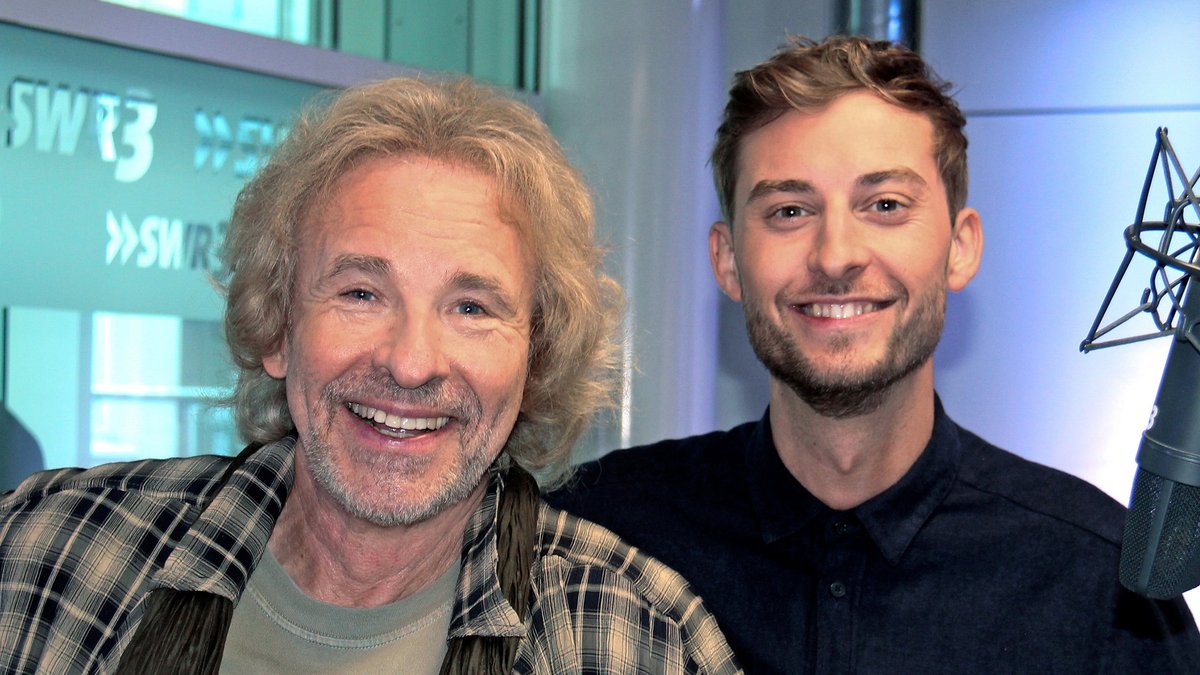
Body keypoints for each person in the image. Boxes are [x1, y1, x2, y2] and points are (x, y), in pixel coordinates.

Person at [0, 77, 741, 674]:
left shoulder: (638, 640)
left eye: (472, 307)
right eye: (360, 292)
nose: (410, 361)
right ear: (277, 326)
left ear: (534, 358)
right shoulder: (45, 556)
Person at [547, 35, 1200, 673]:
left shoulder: (1096, 581)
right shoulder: (602, 542)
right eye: (789, 210)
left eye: (885, 205)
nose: (836, 255)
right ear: (727, 260)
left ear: (961, 247)